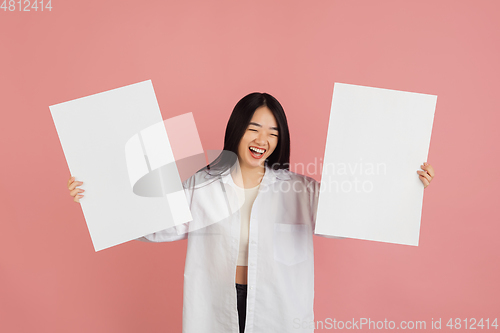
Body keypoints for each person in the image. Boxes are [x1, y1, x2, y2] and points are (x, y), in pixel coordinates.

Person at [67, 93, 435, 333]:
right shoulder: (203, 184)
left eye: (273, 133)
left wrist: (406, 185)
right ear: (237, 130)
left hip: (277, 306)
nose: (263, 140)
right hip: (216, 302)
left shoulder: (299, 189)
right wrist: (96, 195)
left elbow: (345, 217)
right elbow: (156, 226)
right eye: (254, 128)